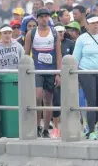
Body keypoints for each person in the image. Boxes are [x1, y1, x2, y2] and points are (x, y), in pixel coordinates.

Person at [24, 8, 62, 138]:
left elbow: (58, 54)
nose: (44, 19)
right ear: (37, 18)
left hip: (51, 71)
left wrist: (58, 73)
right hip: (37, 71)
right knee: (37, 97)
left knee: (47, 100)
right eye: (41, 17)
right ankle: (36, 126)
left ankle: (46, 129)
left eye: (46, 16)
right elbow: (26, 55)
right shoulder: (31, 34)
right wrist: (26, 72)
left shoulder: (54, 33)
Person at [51, 24, 74, 138]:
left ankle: (67, 127)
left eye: (61, 31)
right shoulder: (50, 43)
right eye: (58, 32)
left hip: (68, 78)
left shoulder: (70, 43)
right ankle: (55, 127)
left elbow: (75, 59)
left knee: (69, 103)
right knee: (56, 102)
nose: (60, 34)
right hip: (55, 76)